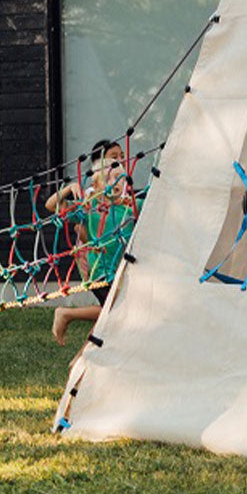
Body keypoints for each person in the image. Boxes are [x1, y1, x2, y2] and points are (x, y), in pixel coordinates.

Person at [48, 138, 137, 346]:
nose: (119, 162)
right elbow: (52, 206)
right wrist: (70, 188)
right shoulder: (91, 203)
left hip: (119, 267)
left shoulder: (127, 204)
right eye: (114, 158)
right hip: (99, 265)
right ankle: (66, 314)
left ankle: (82, 358)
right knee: (114, 309)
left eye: (121, 159)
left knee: (112, 316)